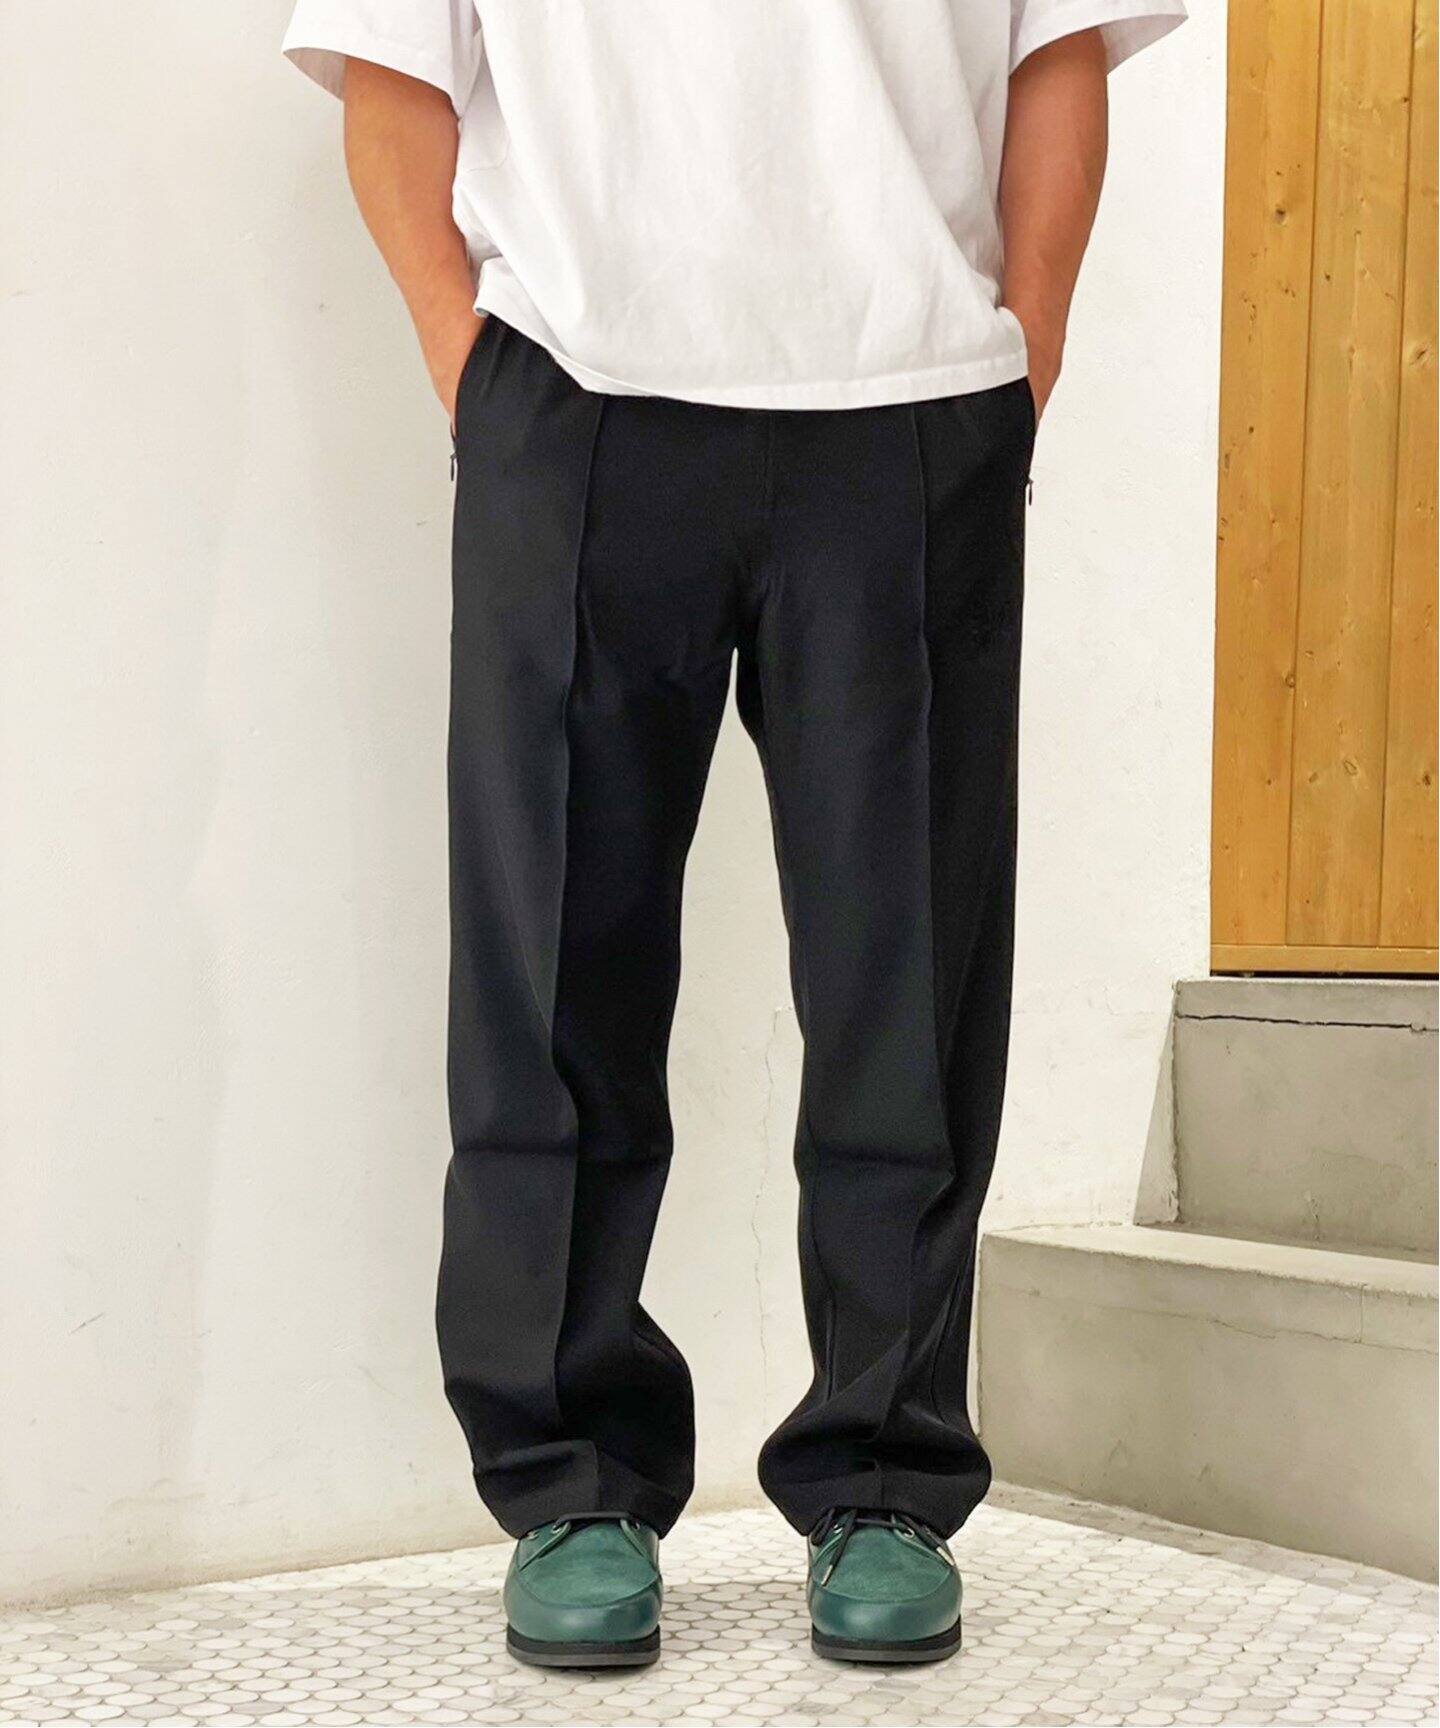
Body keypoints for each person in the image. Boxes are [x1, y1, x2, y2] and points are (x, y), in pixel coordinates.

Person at [282, 0, 1185, 1669]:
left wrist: (1022, 354)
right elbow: (392, 66)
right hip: (576, 390)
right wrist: (469, 363)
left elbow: (1056, 46)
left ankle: (886, 1475)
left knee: (907, 970)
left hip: (914, 399)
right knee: (554, 966)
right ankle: (570, 1476)